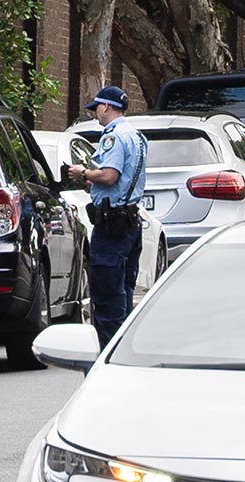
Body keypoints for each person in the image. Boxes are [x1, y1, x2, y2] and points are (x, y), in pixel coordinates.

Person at [67, 86, 147, 347]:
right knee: (124, 290)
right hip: (129, 224)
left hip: (111, 226)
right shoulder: (136, 136)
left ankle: (107, 355)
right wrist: (93, 185)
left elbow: (110, 175)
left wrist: (83, 172)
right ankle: (124, 349)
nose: (95, 113)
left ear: (106, 107)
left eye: (96, 108)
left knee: (107, 294)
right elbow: (122, 180)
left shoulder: (112, 137)